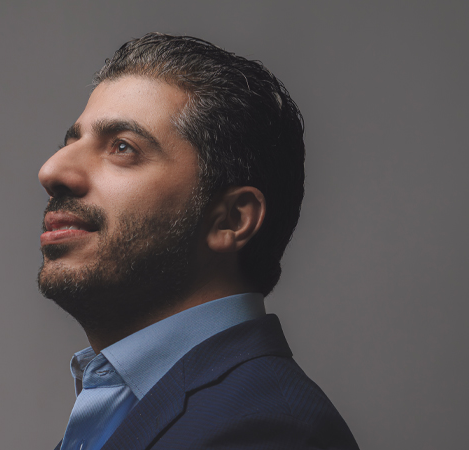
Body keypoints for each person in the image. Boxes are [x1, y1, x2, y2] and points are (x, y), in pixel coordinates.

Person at [37, 33, 359, 450]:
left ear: (231, 219)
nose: (52, 171)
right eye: (70, 143)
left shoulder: (268, 433)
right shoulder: (130, 409)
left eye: (122, 147)